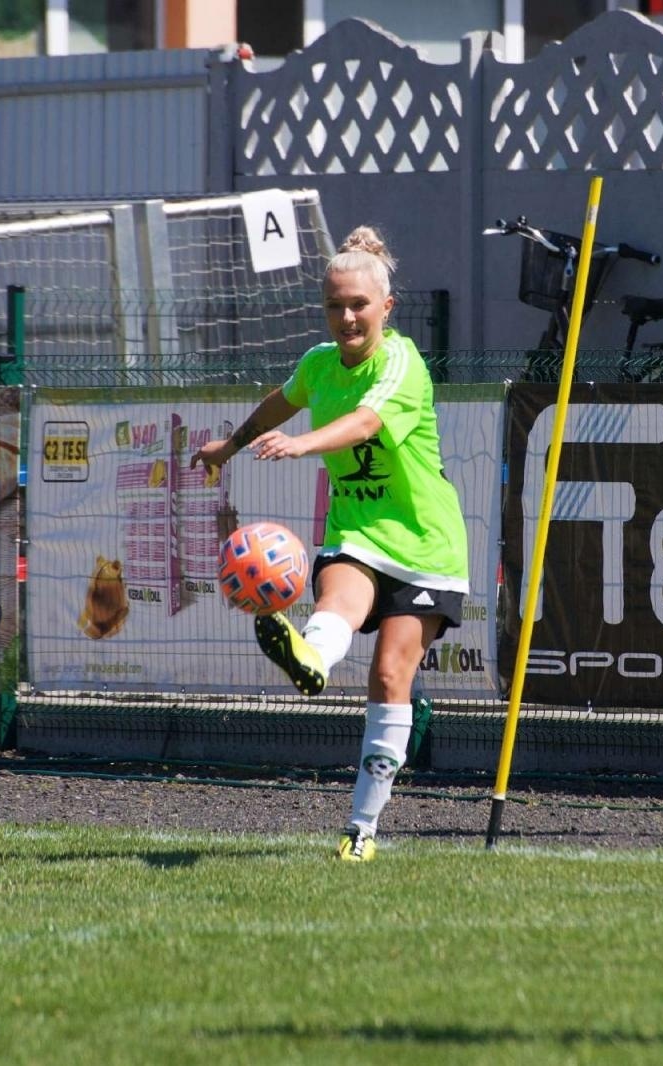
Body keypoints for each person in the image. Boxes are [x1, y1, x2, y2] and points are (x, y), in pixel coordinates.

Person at [192, 225, 470, 862]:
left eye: (358, 305)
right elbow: (279, 402)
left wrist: (302, 445)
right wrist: (229, 445)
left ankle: (361, 830)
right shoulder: (319, 364)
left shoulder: (401, 362)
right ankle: (311, 659)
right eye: (334, 306)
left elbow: (365, 422)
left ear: (385, 308)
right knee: (337, 604)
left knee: (390, 672)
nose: (346, 316)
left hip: (428, 545)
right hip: (357, 531)